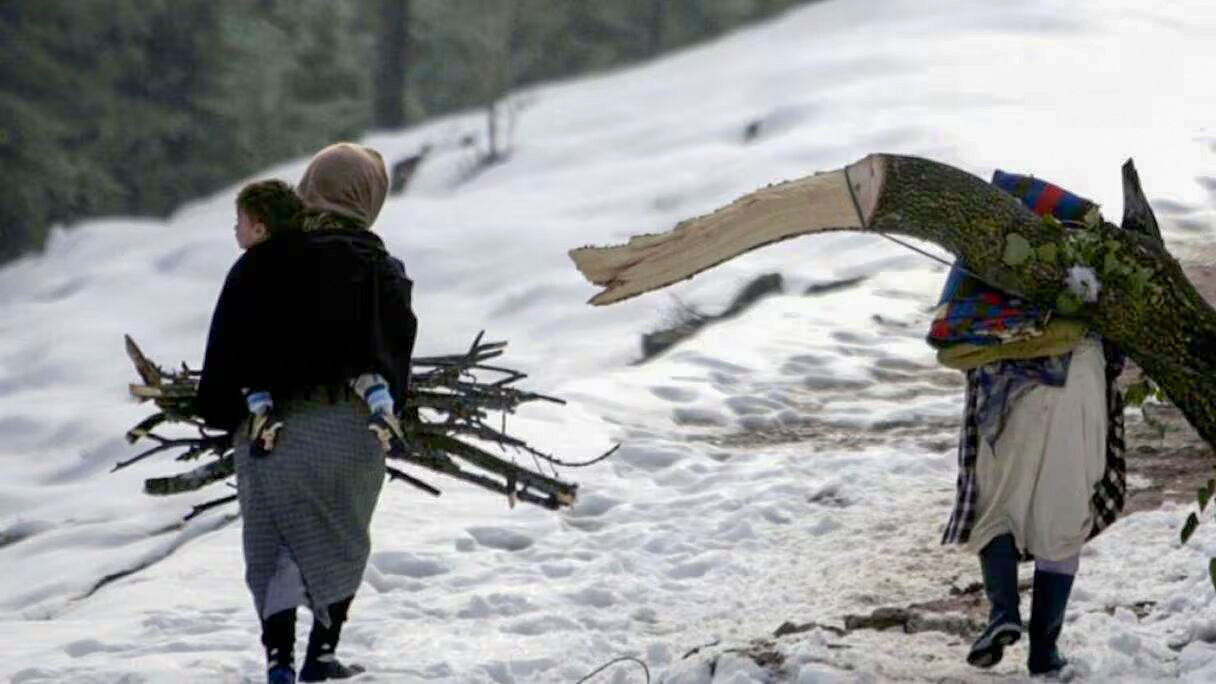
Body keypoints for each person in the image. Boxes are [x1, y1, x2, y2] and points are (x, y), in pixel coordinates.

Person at [196, 143, 417, 684]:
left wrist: (232, 414)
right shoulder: (381, 268)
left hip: (272, 434)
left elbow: (225, 358)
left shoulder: (258, 263)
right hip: (347, 433)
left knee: (272, 544)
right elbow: (394, 358)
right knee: (339, 538)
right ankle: (321, 654)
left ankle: (278, 662)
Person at [931, 171, 1126, 677]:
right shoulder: (1086, 252)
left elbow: (951, 330)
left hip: (1004, 388)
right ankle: (1045, 650)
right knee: (1062, 522)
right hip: (1075, 380)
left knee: (995, 511)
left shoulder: (978, 260)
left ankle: (1001, 614)